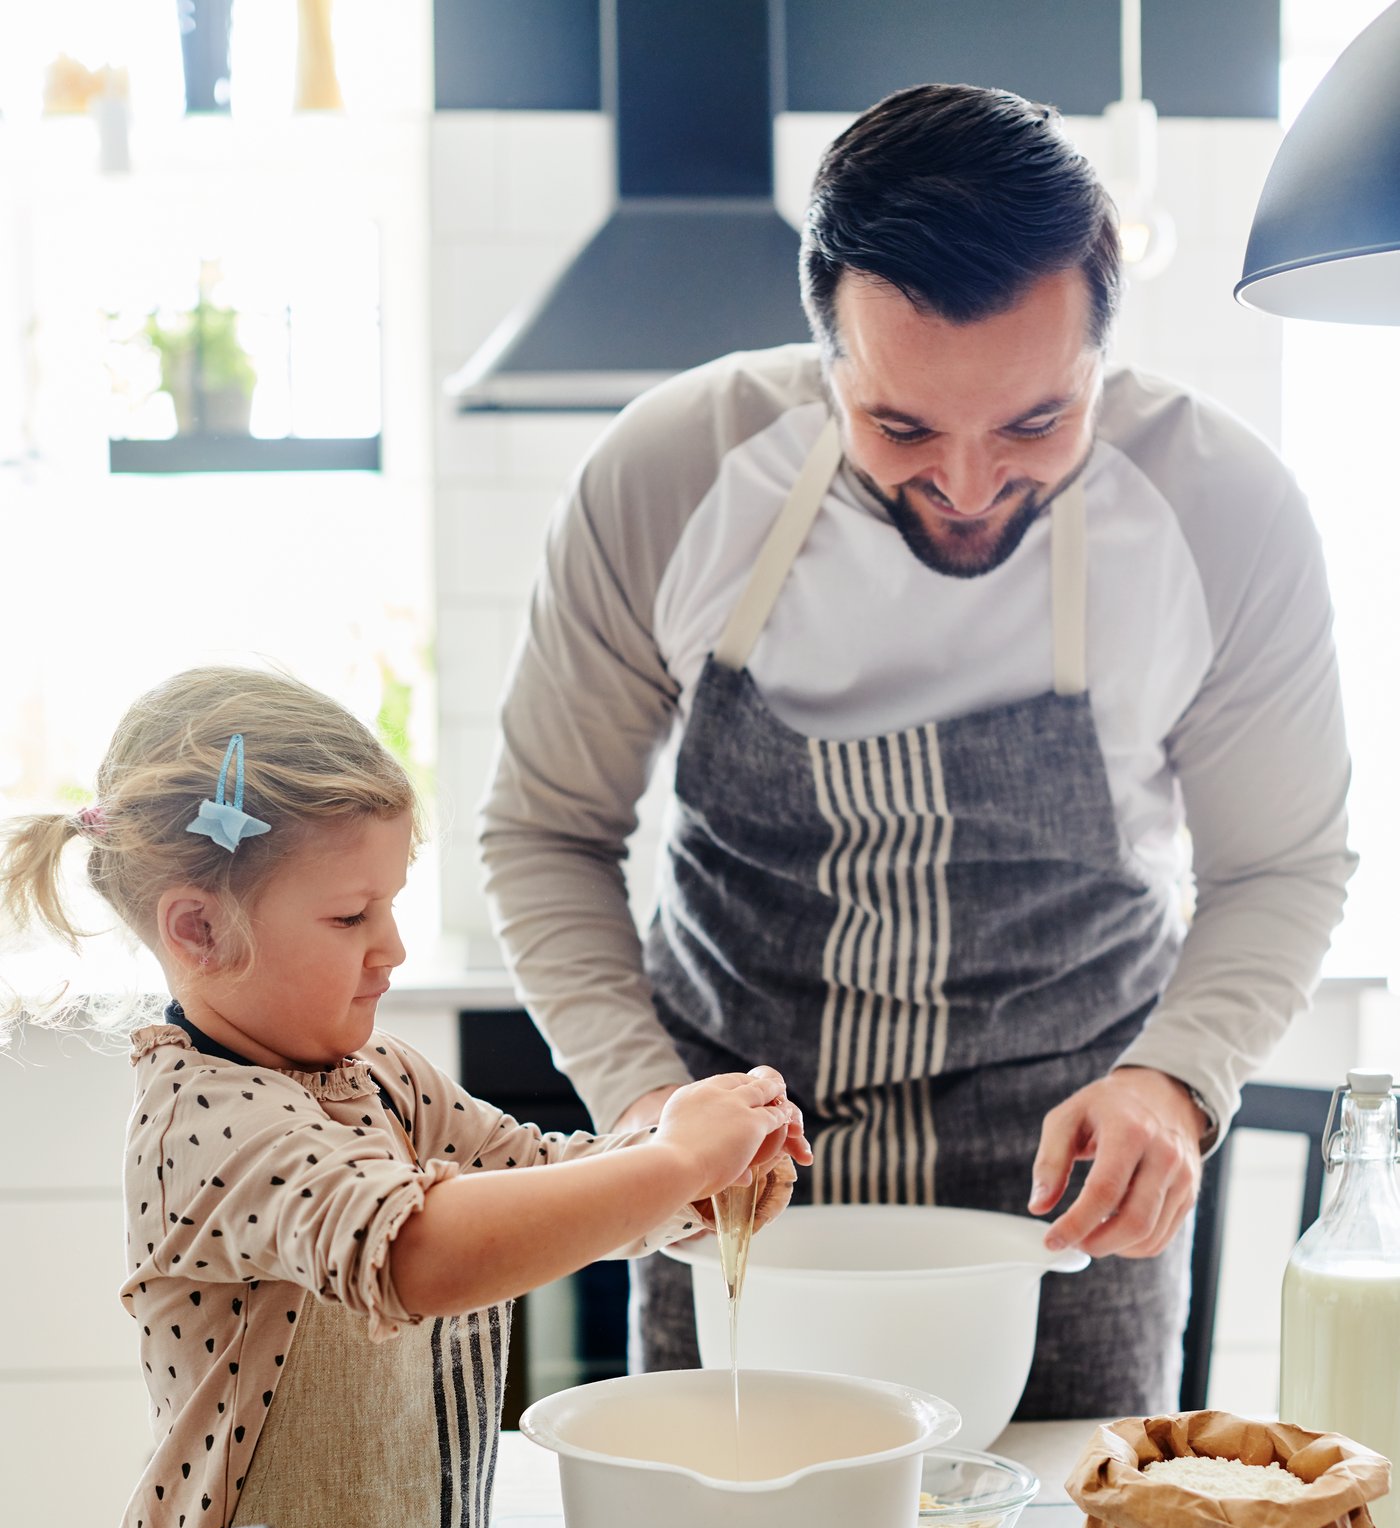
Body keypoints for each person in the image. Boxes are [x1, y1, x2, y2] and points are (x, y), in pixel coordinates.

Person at [479, 81, 1355, 1415]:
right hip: (741, 1213)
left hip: (1066, 1222)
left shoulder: (1222, 512)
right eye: (899, 427)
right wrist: (650, 1112)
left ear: (1101, 355)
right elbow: (543, 835)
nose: (965, 485)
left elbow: (1285, 866)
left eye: (1033, 424)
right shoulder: (667, 476)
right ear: (826, 346)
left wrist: (1177, 1085)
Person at [0, 666, 807, 1528]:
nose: (389, 949)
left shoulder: (373, 1078)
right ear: (198, 931)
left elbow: (548, 1182)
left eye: (392, 903)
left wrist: (693, 1177)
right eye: (350, 916)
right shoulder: (212, 1121)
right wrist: (667, 1161)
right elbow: (425, 1250)